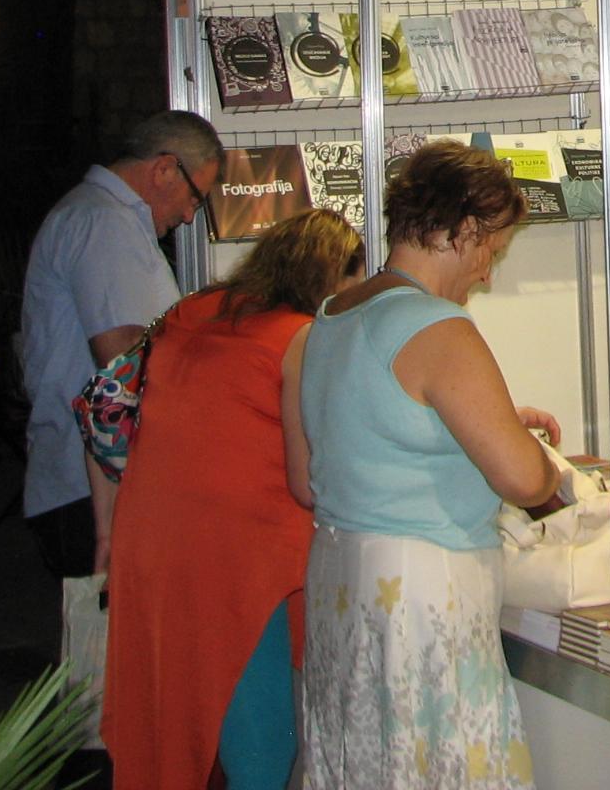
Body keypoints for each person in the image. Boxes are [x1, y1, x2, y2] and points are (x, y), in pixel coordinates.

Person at [289, 141, 560, 789]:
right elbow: (523, 480)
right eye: (492, 252)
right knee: (442, 760)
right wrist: (548, 465)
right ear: (466, 231)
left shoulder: (319, 326)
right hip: (420, 599)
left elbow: (308, 480)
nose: (486, 275)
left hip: (340, 589)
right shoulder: (439, 329)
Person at [103, 208, 364, 790]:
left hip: (151, 537)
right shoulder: (298, 336)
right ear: (331, 277)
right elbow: (309, 474)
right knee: (263, 742)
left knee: (169, 714)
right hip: (237, 555)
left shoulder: (191, 311)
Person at [19, 109, 221, 578]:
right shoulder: (103, 222)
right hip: (94, 489)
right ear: (164, 169)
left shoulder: (102, 216)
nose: (189, 216)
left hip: (90, 482)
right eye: (196, 198)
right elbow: (124, 355)